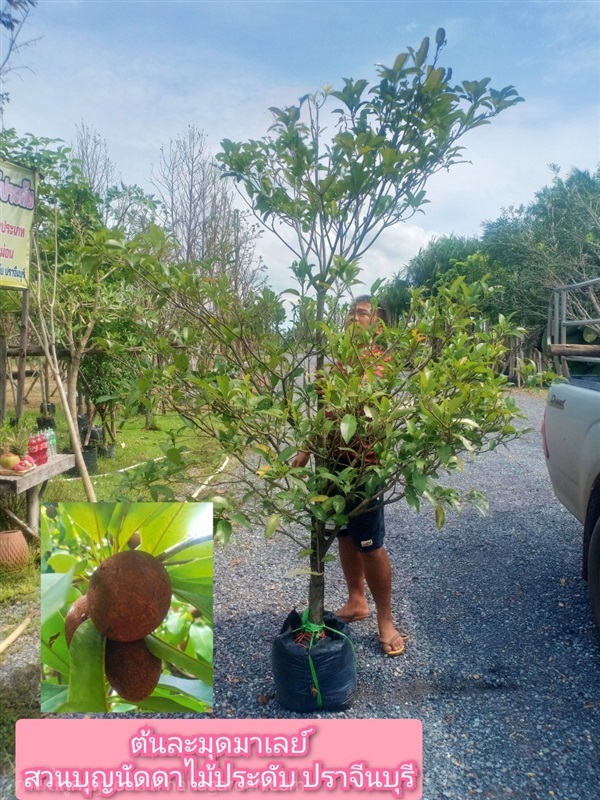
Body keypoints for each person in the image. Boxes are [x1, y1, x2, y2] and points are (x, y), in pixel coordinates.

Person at [291, 296, 405, 657]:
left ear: (377, 324)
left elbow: (369, 408)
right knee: (342, 535)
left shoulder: (381, 365)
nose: (354, 320)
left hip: (364, 467)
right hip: (332, 465)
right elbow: (325, 417)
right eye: (351, 314)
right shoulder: (334, 367)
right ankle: (357, 601)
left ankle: (386, 620)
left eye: (362, 314)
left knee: (370, 544)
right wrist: (306, 451)